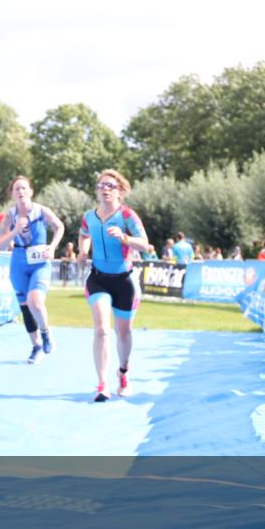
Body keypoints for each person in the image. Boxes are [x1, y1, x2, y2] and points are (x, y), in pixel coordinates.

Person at [76, 169, 150, 402]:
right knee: (101, 329)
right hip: (98, 279)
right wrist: (83, 251)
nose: (105, 189)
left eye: (110, 186)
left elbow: (145, 245)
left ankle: (123, 372)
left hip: (124, 281)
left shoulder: (127, 215)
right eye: (101, 185)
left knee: (124, 333)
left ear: (120, 191)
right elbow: (84, 234)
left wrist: (125, 238)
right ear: (96, 191)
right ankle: (102, 384)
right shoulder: (89, 216)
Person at [0, 176, 65, 364]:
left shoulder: (42, 211)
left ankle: (46, 333)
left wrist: (53, 246)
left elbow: (59, 226)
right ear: (12, 194)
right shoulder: (10, 216)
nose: (21, 192)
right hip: (18, 262)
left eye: (24, 188)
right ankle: (36, 346)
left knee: (35, 301)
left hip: (40, 261)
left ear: (31, 192)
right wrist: (14, 231)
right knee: (25, 307)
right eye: (17, 189)